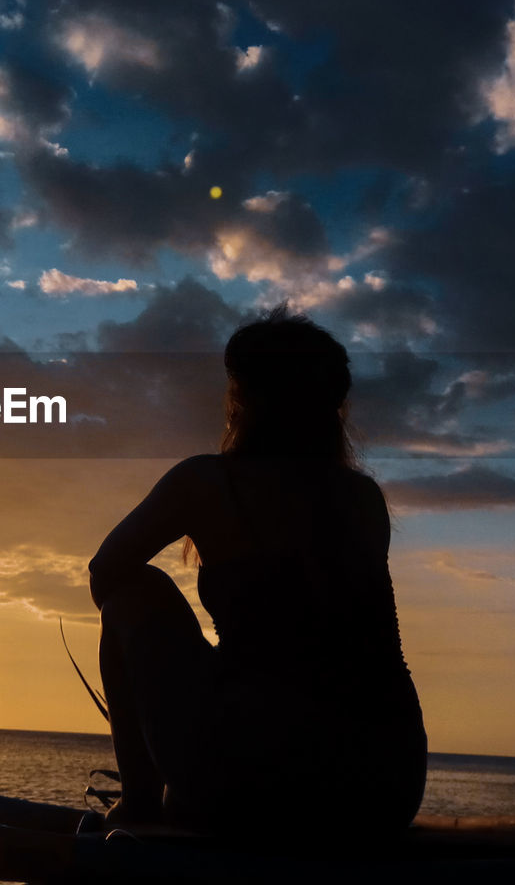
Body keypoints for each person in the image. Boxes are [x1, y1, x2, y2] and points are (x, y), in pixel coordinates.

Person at [87, 306, 426, 835]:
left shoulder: (207, 481)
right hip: (386, 787)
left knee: (133, 590)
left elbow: (105, 572)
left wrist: (183, 671)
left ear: (243, 397)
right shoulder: (362, 498)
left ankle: (140, 807)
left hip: (256, 781)